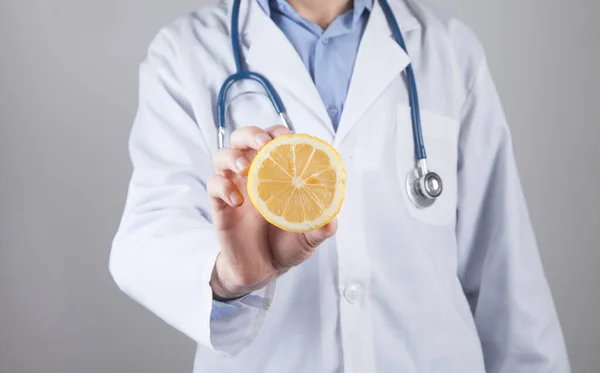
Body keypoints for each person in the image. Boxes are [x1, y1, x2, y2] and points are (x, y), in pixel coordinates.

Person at [109, 0, 570, 371]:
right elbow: (146, 235)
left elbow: (507, 275)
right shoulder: (185, 52)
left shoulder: (450, 49)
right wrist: (232, 278)